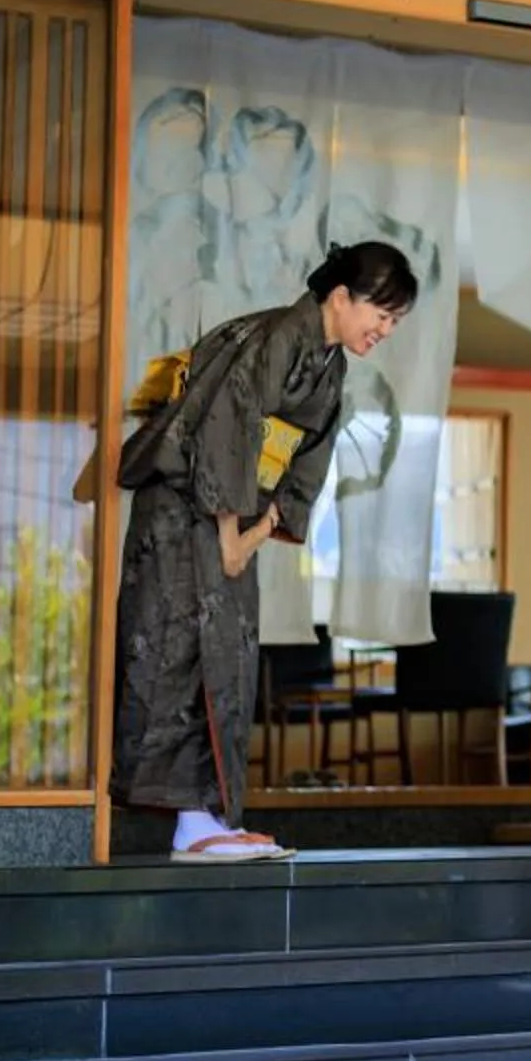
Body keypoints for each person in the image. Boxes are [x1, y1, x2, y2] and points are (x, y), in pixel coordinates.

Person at [110, 243, 415, 861]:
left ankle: (206, 819)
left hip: (228, 520)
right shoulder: (276, 336)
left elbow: (306, 462)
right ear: (339, 298)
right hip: (182, 510)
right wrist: (229, 532)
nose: (384, 330)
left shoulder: (330, 368)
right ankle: (191, 824)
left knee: (228, 658)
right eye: (380, 314)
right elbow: (228, 425)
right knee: (178, 650)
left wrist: (254, 531)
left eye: (394, 322)